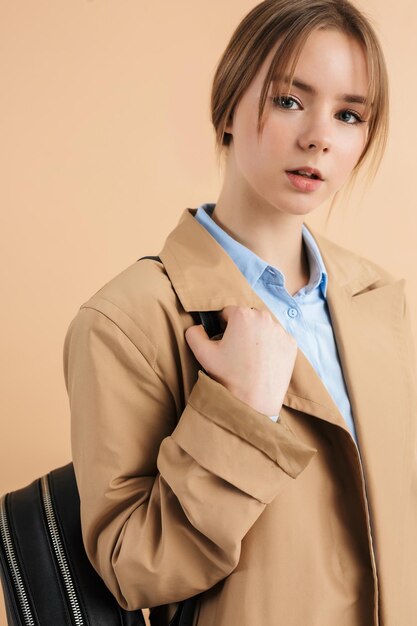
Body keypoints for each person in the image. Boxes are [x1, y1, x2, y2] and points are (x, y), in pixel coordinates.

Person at [63, 1, 417, 624]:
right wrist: (242, 413)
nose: (319, 136)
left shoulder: (378, 302)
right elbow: (130, 569)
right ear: (227, 106)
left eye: (348, 114)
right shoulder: (127, 322)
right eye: (288, 100)